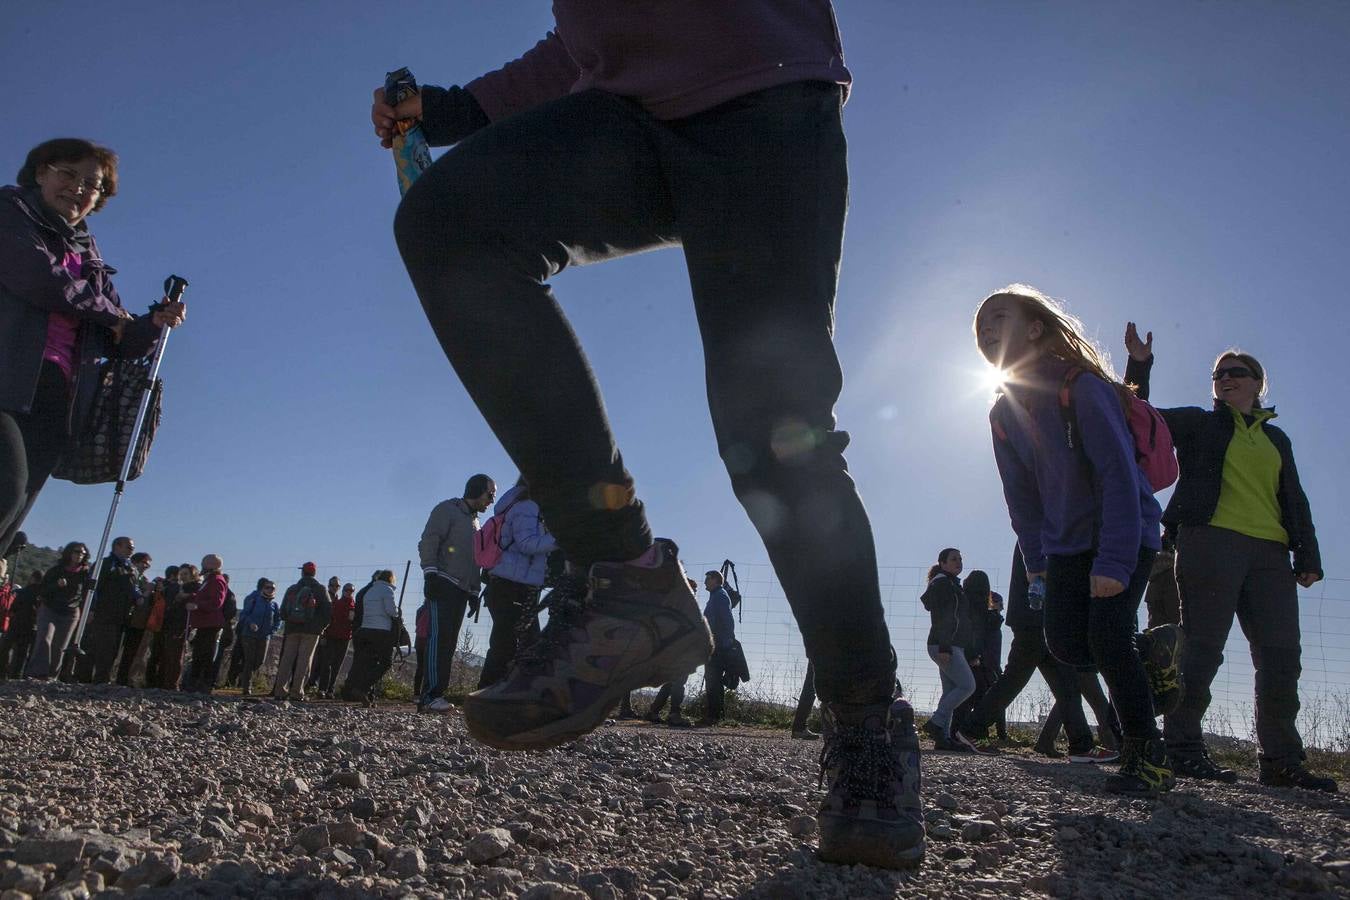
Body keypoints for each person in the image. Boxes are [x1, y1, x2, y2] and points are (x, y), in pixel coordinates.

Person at [375, 6, 918, 867]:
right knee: (449, 223)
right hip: (625, 117)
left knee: (773, 437)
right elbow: (586, 42)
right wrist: (453, 112)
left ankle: (866, 720)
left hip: (766, 102)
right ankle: (627, 580)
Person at [975, 285, 1179, 795]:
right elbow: (1019, 495)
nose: (987, 329)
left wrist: (1113, 560)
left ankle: (1146, 755)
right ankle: (1150, 654)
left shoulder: (1079, 386)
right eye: (981, 327)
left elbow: (1116, 474)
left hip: (1124, 533)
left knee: (1108, 637)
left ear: (1037, 327)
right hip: (1064, 546)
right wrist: (1036, 559)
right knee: (1065, 644)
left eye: (999, 317)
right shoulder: (1002, 414)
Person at [1124, 325, 1334, 791]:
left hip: (1270, 555)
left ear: (1259, 383)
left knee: (1282, 658)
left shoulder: (1277, 440)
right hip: (1209, 543)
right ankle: (1183, 749)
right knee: (1201, 651)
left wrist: (1308, 554)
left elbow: (1293, 498)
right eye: (1219, 374)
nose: (1226, 378)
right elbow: (1138, 417)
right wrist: (1139, 366)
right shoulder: (1201, 423)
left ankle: (1281, 760)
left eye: (1237, 372)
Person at [0, 139, 187, 560]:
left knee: (12, 521)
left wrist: (151, 324)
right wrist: (113, 317)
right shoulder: (9, 212)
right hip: (7, 377)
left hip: (57, 396)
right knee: (5, 493)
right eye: (68, 173)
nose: (79, 189)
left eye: (93, 185)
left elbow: (118, 339)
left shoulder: (88, 256)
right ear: (40, 172)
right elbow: (36, 277)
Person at [959, 547, 1115, 763]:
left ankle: (1081, 745)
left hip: (1041, 617)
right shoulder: (1044, 529)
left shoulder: (1043, 526)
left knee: (1065, 683)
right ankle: (972, 728)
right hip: (1036, 616)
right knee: (1021, 679)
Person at [417, 475, 494, 713]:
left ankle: (437, 694)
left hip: (462, 589)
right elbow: (429, 540)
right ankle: (429, 696)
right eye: (490, 494)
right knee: (438, 639)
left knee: (449, 643)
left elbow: (474, 562)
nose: (491, 500)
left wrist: (473, 591)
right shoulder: (447, 510)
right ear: (478, 491)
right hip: (443, 583)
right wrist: (430, 574)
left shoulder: (476, 523)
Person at [477, 478, 558, 689]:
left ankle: (496, 692)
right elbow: (526, 543)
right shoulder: (528, 506)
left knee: (509, 642)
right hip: (514, 585)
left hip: (510, 584)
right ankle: (490, 693)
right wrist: (559, 539)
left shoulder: (516, 505)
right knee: (513, 643)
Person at [919, 549, 978, 752]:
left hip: (954, 646)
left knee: (951, 691)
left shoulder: (952, 584)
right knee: (968, 686)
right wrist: (945, 647)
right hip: (944, 645)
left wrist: (968, 653)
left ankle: (942, 738)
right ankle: (936, 723)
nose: (959, 562)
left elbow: (962, 620)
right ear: (942, 563)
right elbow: (942, 617)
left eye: (961, 558)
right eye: (954, 559)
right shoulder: (943, 584)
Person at [73, 536, 141, 684]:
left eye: (132, 548)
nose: (131, 550)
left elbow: (134, 589)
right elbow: (92, 588)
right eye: (128, 547)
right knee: (94, 646)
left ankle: (102, 679)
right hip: (102, 613)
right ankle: (83, 678)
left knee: (111, 650)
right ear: (117, 546)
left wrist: (139, 597)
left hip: (121, 616)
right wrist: (91, 609)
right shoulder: (105, 564)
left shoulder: (132, 569)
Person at [953, 570, 1008, 743]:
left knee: (966, 695)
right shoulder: (983, 611)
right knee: (985, 695)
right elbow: (979, 634)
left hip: (968, 656)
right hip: (983, 660)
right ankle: (976, 733)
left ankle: (957, 730)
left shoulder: (964, 603)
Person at [25, 542, 90, 678]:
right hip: (50, 608)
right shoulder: (56, 570)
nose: (79, 555)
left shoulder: (86, 574)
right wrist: (56, 585)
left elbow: (87, 593)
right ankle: (37, 673)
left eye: (82, 553)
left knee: (60, 646)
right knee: (44, 638)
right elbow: (42, 590)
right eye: (76, 552)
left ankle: (52, 676)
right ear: (69, 553)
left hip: (70, 612)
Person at [272, 562, 332, 701]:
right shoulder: (320, 589)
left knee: (287, 659)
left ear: (302, 572)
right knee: (304, 661)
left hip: (292, 629)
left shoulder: (292, 589)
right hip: (311, 631)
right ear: (314, 573)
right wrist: (321, 627)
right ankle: (297, 693)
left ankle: (280, 691)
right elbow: (328, 612)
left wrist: (290, 621)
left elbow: (282, 612)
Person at [342, 569, 400, 704]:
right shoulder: (387, 590)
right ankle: (362, 688)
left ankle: (357, 690)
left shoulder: (369, 591)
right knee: (386, 663)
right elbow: (391, 611)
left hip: (365, 630)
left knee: (366, 663)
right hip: (381, 631)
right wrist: (398, 611)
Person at [183, 555, 228, 694]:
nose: (201, 565)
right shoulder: (209, 580)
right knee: (199, 653)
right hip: (203, 623)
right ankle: (194, 683)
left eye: (204, 563)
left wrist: (197, 604)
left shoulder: (217, 580)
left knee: (205, 654)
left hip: (210, 623)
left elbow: (216, 602)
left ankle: (202, 684)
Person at [697, 570, 736, 726]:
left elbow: (728, 621)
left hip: (718, 645)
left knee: (713, 679)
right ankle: (716, 715)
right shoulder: (716, 596)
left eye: (707, 578)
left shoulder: (719, 596)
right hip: (716, 643)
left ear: (714, 580)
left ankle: (713, 716)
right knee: (714, 679)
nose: (705, 582)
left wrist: (723, 641)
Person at [115, 550, 153, 685]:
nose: (146, 566)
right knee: (114, 648)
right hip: (121, 616)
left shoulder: (145, 581)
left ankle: (123, 678)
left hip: (137, 622)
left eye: (148, 564)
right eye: (143, 563)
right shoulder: (128, 576)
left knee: (131, 652)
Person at [237, 578, 280, 696]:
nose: (270, 589)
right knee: (249, 660)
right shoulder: (254, 600)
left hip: (264, 637)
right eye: (268, 587)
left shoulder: (274, 605)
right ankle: (247, 687)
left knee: (260, 661)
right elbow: (244, 614)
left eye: (273, 588)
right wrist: (250, 623)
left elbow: (278, 620)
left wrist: (272, 631)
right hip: (249, 635)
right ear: (263, 588)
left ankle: (245, 676)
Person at [315, 582, 356, 698]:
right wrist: (324, 634)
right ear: (343, 591)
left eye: (351, 591)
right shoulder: (336, 604)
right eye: (347, 590)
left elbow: (353, 622)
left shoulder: (354, 606)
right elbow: (329, 619)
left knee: (337, 665)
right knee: (327, 663)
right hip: (332, 636)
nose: (349, 592)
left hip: (345, 638)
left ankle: (330, 690)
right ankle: (322, 689)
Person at [0, 569, 42, 677]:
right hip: (31, 626)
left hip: (16, 623)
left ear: (32, 578)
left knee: (6, 647)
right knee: (22, 653)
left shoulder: (23, 592)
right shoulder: (42, 595)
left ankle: (2, 671)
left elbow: (13, 608)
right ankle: (16, 674)